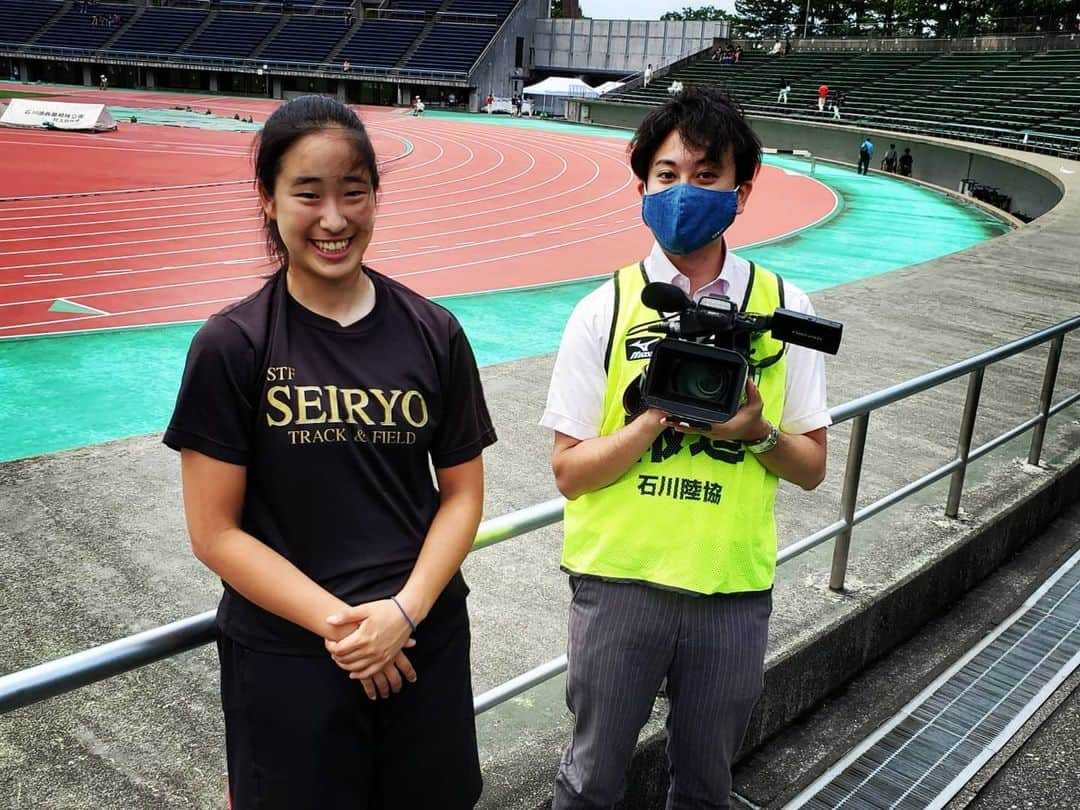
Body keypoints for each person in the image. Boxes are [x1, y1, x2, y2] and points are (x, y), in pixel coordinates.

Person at [164, 95, 495, 810]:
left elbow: (463, 493)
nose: (335, 218)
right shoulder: (234, 345)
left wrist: (401, 616)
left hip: (421, 645)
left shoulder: (434, 333)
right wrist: (345, 630)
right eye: (308, 193)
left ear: (377, 196)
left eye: (354, 192)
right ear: (267, 198)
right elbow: (214, 531)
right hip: (291, 657)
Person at [543, 86, 830, 810]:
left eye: (707, 175)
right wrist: (651, 420)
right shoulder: (602, 308)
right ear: (642, 184)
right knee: (590, 783)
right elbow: (570, 474)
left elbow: (812, 467)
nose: (683, 192)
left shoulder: (785, 308)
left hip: (731, 590)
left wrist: (756, 432)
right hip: (618, 584)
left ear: (742, 189)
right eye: (666, 175)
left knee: (706, 788)